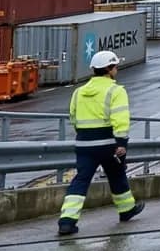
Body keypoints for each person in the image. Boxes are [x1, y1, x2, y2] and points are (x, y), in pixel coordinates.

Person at [57, 49, 143, 236]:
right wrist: (121, 143)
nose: (117, 70)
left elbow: (73, 117)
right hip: (108, 143)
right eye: (115, 67)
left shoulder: (79, 92)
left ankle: (67, 221)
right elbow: (120, 119)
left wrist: (84, 135)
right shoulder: (115, 90)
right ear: (109, 69)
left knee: (81, 180)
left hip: (84, 144)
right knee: (117, 174)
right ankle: (126, 210)